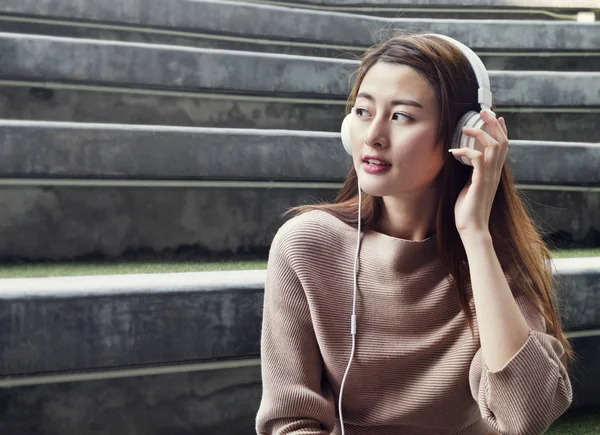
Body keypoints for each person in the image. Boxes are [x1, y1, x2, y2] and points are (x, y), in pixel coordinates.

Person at [255, 33, 574, 435]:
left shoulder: (496, 259)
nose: (373, 135)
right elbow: (290, 421)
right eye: (363, 111)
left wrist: (475, 235)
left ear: (463, 135)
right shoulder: (304, 244)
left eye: (401, 116)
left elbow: (525, 417)